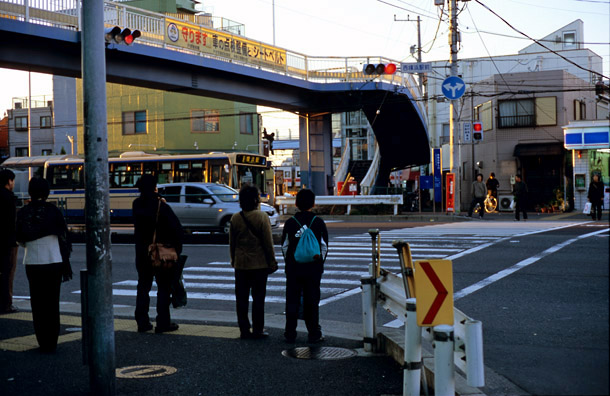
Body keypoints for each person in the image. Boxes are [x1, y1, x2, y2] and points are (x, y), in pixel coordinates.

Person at [15, 177, 72, 352]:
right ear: (46, 192)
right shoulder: (53, 211)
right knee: (52, 302)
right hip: (53, 259)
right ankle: (52, 341)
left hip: (32, 261)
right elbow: (63, 235)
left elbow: (20, 238)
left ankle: (42, 341)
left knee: (37, 303)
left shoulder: (23, 212)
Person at [133, 174, 183, 333]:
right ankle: (162, 322)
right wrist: (175, 249)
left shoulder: (136, 205)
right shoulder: (161, 206)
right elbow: (177, 230)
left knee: (143, 287)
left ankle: (142, 322)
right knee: (164, 287)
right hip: (161, 254)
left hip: (142, 253)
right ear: (154, 187)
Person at [229, 184, 277, 339]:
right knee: (258, 299)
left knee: (241, 299)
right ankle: (258, 329)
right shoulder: (262, 217)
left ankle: (244, 329)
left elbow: (232, 243)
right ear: (256, 200)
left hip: (241, 264)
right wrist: (272, 261)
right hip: (259, 264)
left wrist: (233, 260)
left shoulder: (236, 217)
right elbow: (268, 243)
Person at [281, 188, 328, 344]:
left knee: (292, 299)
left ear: (296, 203)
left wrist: (289, 263)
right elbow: (324, 247)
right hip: (313, 269)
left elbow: (285, 247)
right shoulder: (318, 223)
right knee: (312, 300)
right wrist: (319, 264)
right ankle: (313, 333)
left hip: (294, 269)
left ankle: (290, 333)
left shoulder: (290, 223)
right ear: (313, 204)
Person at [1, 169, 18, 314]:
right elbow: (12, 222)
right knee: (8, 273)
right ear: (9, 181)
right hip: (9, 241)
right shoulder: (9, 198)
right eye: (12, 180)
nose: (13, 183)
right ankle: (7, 303)